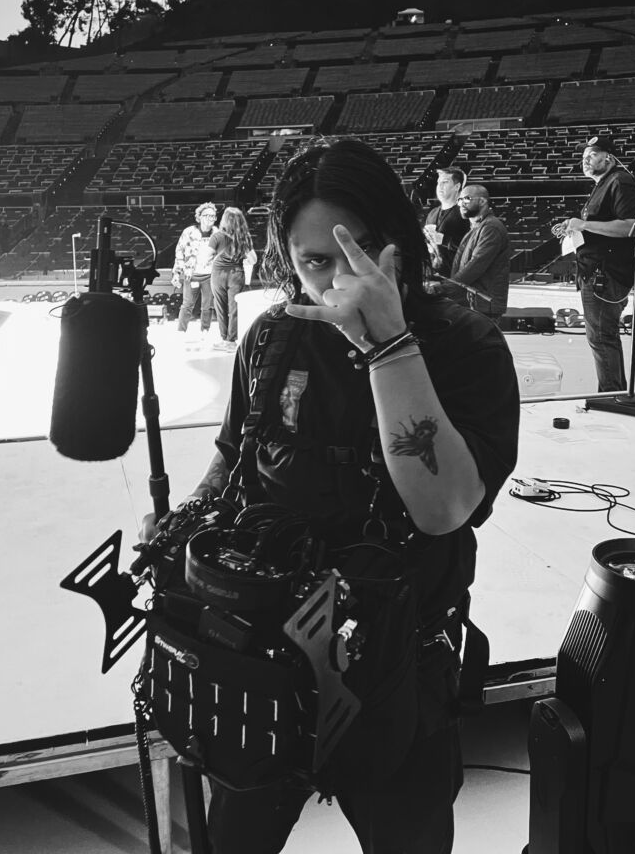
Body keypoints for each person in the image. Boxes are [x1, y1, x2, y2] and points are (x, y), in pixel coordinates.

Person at [143, 139, 519, 853]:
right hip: (264, 664)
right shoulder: (272, 337)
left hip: (397, 674)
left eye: (364, 250)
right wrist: (190, 514)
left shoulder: (464, 345)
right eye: (317, 261)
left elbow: (442, 508)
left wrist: (388, 346)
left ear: (401, 238)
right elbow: (235, 455)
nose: (343, 279)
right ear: (289, 259)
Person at [551, 134, 635, 392]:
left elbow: (632, 227)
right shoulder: (604, 184)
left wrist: (584, 225)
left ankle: (611, 395)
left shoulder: (620, 181)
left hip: (605, 274)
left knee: (601, 337)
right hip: (597, 271)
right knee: (602, 337)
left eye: (592, 155)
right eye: (584, 156)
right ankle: (613, 393)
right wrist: (574, 226)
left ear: (609, 158)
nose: (586, 160)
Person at [440, 184, 511, 324]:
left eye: (467, 199)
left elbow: (475, 266)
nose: (461, 204)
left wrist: (444, 288)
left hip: (483, 305)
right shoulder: (478, 227)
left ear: (483, 201)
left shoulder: (491, 227)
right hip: (474, 303)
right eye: (459, 200)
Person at [209, 206, 256, 351]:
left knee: (221, 307)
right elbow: (253, 259)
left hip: (218, 274)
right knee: (234, 308)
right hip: (236, 273)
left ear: (224, 220)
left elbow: (206, 256)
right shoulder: (244, 237)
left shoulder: (216, 236)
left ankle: (224, 339)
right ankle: (231, 341)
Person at [172, 202, 219, 341]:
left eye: (212, 216)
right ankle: (181, 331)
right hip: (191, 274)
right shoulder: (189, 232)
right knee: (187, 304)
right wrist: (176, 273)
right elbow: (179, 252)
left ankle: (205, 330)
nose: (209, 218)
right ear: (199, 217)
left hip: (210, 275)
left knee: (207, 306)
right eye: (206, 215)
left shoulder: (218, 233)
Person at [423, 167, 469, 276]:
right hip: (434, 274)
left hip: (458, 276)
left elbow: (472, 247)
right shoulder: (432, 213)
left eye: (445, 182)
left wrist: (444, 240)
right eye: (438, 182)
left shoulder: (465, 213)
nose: (439, 186)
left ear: (457, 187)